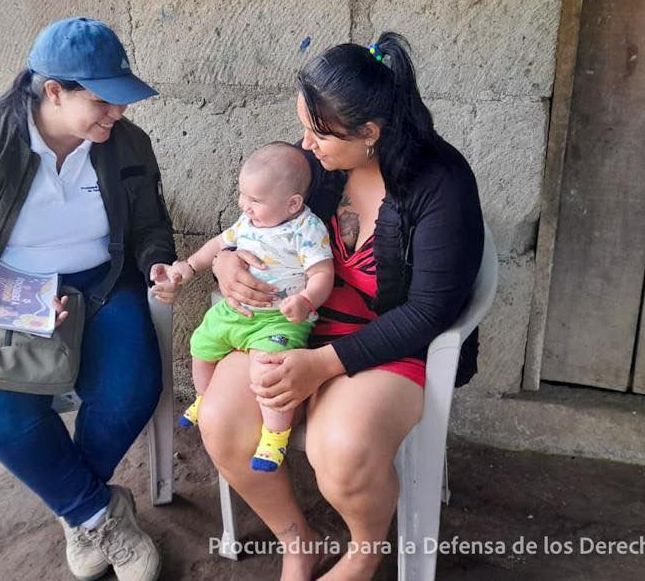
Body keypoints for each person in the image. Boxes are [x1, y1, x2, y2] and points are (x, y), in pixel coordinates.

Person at [202, 33, 484, 580]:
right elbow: (260, 224)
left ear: (370, 134)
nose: (305, 145)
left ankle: (364, 551)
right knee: (220, 418)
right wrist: (225, 261)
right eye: (304, 127)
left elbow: (429, 312)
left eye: (317, 134)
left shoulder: (441, 183)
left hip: (392, 339)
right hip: (301, 324)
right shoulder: (325, 164)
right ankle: (296, 540)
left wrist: (323, 366)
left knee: (342, 450)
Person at [0, 17, 178, 581]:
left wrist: (155, 261)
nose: (118, 113)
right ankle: (97, 512)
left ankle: (76, 507)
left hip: (102, 283)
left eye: (121, 99)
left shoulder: (127, 145)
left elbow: (151, 228)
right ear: (53, 92)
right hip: (4, 291)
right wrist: (15, 302)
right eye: (103, 100)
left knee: (131, 389)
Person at [166, 142, 334, 473]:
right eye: (243, 195)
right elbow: (218, 244)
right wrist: (189, 265)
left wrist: (306, 300)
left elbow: (322, 273)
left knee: (267, 371)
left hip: (277, 320)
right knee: (201, 343)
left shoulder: (306, 229)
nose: (245, 205)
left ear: (292, 203)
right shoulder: (248, 223)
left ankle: (275, 434)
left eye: (255, 200)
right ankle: (203, 397)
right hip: (236, 311)